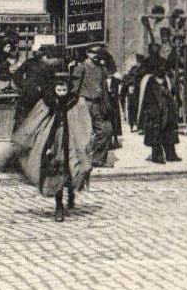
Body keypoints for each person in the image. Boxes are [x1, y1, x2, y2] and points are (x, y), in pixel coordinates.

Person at [7, 71, 96, 223]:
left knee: (73, 168)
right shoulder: (47, 103)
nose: (61, 94)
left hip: (72, 142)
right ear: (54, 89)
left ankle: (71, 193)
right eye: (58, 90)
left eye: (64, 91)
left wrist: (84, 140)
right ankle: (59, 206)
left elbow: (84, 123)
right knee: (57, 172)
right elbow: (36, 122)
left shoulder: (76, 103)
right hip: (54, 143)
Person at [69, 44, 115, 168]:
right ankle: (80, 160)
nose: (96, 55)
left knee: (106, 130)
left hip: (97, 104)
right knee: (83, 133)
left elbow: (111, 71)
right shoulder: (81, 67)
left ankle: (97, 159)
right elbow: (74, 88)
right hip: (84, 103)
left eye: (98, 52)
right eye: (93, 52)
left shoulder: (100, 68)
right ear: (87, 53)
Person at [9, 36, 59, 129]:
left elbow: (16, 75)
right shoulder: (37, 63)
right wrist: (25, 86)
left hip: (37, 95)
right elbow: (17, 75)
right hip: (34, 95)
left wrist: (23, 85)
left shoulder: (44, 64)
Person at [138, 64, 182, 164]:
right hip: (155, 112)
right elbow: (147, 100)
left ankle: (170, 154)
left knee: (168, 133)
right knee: (156, 134)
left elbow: (172, 95)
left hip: (166, 110)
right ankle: (157, 156)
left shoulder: (166, 81)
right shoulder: (150, 82)